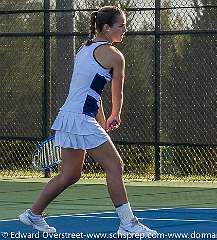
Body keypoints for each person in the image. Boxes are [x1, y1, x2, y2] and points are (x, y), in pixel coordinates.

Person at [19, 6, 157, 236]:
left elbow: (91, 93)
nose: (125, 30)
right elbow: (117, 92)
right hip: (79, 119)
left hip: (69, 117)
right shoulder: (114, 55)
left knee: (70, 175)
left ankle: (33, 214)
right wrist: (116, 114)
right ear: (106, 28)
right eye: (121, 26)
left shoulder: (84, 48)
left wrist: (103, 120)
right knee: (115, 166)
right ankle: (128, 224)